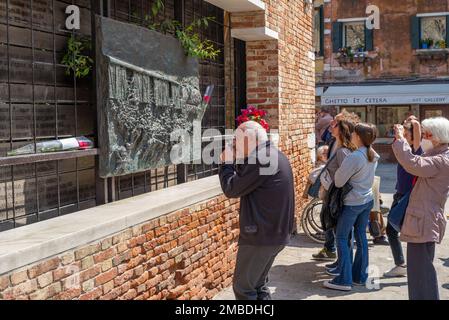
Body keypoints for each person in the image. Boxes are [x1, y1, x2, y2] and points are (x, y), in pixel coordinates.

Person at [219, 120, 295, 300]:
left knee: (244, 289)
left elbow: (232, 189)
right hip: (274, 234)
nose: (233, 145)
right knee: (258, 286)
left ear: (248, 138)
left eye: (236, 140)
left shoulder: (261, 159)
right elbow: (248, 179)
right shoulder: (272, 154)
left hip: (261, 236)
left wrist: (226, 164)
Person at [392, 117, 449, 300]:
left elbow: (412, 163)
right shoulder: (437, 154)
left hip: (424, 220)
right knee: (418, 271)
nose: (422, 137)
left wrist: (401, 139)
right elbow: (415, 157)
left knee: (421, 272)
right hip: (423, 219)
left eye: (425, 134)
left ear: (437, 137)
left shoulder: (441, 160)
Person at [323, 123, 379, 291]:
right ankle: (360, 276)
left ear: (359, 137)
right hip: (366, 200)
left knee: (341, 238)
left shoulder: (354, 156)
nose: (352, 135)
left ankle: (344, 280)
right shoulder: (373, 154)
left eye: (354, 133)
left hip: (352, 202)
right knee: (361, 237)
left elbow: (339, 181)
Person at [312, 111, 359, 262]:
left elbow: (346, 175)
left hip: (338, 194)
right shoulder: (333, 142)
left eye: (334, 124)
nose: (330, 126)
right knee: (327, 220)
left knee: (341, 231)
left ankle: (342, 265)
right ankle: (331, 251)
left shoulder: (345, 150)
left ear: (343, 127)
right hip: (330, 190)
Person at [383, 119, 422, 278]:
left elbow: (417, 129)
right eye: (403, 135)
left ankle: (405, 266)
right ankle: (402, 265)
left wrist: (414, 122)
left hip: (408, 197)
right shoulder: (403, 149)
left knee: (403, 231)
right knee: (392, 230)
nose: (403, 137)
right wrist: (402, 129)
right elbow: (396, 143)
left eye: (407, 135)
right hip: (399, 194)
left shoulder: (416, 152)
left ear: (415, 138)